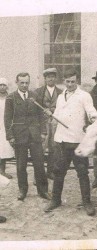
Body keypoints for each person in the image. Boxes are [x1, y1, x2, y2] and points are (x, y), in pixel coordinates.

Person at [44, 69, 97, 216]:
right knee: (58, 172)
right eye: (67, 82)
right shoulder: (61, 96)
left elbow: (91, 111)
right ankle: (56, 200)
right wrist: (51, 114)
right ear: (64, 81)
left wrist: (94, 118)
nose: (70, 84)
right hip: (62, 140)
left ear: (77, 81)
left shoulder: (84, 96)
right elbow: (59, 114)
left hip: (77, 141)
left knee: (82, 173)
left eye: (73, 81)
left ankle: (87, 202)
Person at [4, 72, 50, 201]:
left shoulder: (35, 96)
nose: (24, 85)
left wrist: (43, 132)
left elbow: (41, 115)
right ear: (17, 83)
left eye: (26, 83)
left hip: (35, 136)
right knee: (21, 165)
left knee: (39, 164)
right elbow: (7, 119)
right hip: (19, 137)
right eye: (22, 83)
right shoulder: (11, 98)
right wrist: (10, 136)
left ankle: (43, 190)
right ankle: (22, 190)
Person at [34, 68, 62, 180]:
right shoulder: (38, 92)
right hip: (42, 124)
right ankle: (38, 176)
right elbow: (35, 109)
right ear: (45, 79)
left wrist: (54, 111)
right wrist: (43, 111)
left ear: (55, 78)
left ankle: (51, 172)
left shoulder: (61, 92)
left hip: (55, 123)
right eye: (48, 77)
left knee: (54, 148)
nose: (51, 78)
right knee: (40, 149)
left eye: (53, 76)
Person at [0, 78, 14, 179]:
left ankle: (2, 171)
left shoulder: (10, 98)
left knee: (3, 148)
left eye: (4, 85)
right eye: (0, 85)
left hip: (5, 125)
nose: (2, 87)